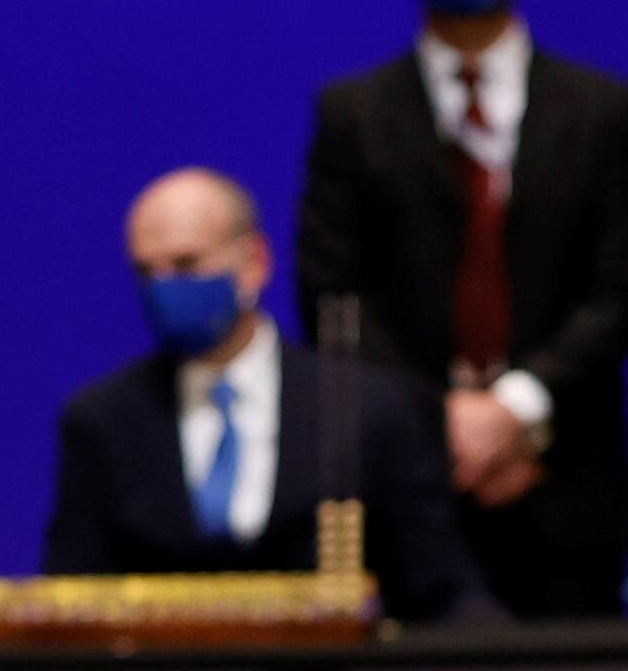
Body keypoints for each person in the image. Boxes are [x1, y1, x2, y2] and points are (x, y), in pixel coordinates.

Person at [294, 0, 628, 618]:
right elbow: (333, 296)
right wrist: (444, 421)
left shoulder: (600, 111)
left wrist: (517, 409)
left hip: (567, 487)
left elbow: (621, 287)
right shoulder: (352, 115)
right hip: (409, 495)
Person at [41, 167, 493, 624]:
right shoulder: (101, 422)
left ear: (254, 262)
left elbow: (442, 590)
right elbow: (72, 604)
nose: (164, 289)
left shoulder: (370, 409)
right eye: (145, 271)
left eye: (186, 265)